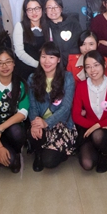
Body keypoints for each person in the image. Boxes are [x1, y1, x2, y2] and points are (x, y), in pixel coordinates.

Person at [72, 50, 107, 172]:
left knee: (98, 134)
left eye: (96, 65)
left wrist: (99, 126)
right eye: (88, 67)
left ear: (104, 65)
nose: (92, 70)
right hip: (88, 129)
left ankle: (106, 154)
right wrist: (95, 126)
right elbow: (76, 116)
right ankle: (99, 149)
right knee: (87, 164)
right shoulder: (81, 86)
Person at [28, 42, 77, 171]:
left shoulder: (67, 77)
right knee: (33, 134)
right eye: (43, 56)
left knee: (49, 161)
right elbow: (32, 105)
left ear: (58, 59)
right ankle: (38, 153)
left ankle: (61, 150)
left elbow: (66, 107)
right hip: (40, 121)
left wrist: (47, 123)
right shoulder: (32, 78)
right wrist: (35, 123)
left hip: (61, 124)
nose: (47, 61)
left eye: (51, 57)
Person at [12, 0, 47, 80]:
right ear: (25, 12)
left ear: (42, 9)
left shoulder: (47, 26)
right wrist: (38, 64)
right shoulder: (20, 26)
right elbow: (19, 52)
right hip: (24, 70)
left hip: (44, 70)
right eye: (30, 10)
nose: (34, 12)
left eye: (37, 8)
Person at [45, 0, 82, 66]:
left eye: (56, 7)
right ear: (45, 11)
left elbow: (78, 45)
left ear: (61, 9)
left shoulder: (73, 23)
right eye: (49, 7)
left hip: (73, 64)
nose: (53, 10)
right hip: (54, 66)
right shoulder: (45, 27)